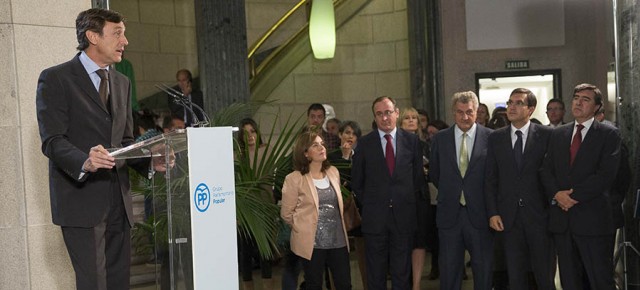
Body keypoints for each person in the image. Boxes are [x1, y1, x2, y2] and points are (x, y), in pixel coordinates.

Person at [35, 8, 166, 290]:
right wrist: (85, 161)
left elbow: (126, 141)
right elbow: (52, 140)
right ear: (93, 36)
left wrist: (149, 161)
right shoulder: (56, 78)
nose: (125, 41)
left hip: (119, 201)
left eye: (124, 33)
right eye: (117, 33)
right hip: (81, 202)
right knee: (93, 284)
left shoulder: (122, 82)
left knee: (119, 283)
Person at [541, 83, 621, 290]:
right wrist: (557, 194)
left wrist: (571, 197)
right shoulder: (558, 134)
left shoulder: (608, 134)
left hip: (593, 220)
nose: (578, 102)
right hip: (563, 221)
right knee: (569, 282)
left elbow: (605, 175)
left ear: (596, 107)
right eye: (576, 97)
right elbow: (546, 170)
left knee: (600, 280)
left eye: (585, 99)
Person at [484, 88, 556, 289]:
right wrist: (493, 213)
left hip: (540, 217)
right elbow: (490, 179)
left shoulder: (547, 135)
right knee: (515, 278)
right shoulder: (496, 138)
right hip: (508, 218)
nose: (511, 107)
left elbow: (555, 175)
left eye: (518, 103)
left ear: (531, 109)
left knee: (544, 276)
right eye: (509, 103)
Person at [351, 96, 424, 290]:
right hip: (375, 220)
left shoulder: (412, 141)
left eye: (388, 112)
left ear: (396, 113)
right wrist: (372, 204)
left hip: (404, 218)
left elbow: (417, 179)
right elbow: (357, 183)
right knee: (375, 274)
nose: (384, 118)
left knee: (402, 273)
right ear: (374, 117)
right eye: (379, 114)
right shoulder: (365, 144)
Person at [429, 91, 494, 290]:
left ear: (477, 112)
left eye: (469, 112)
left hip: (481, 215)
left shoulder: (491, 138)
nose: (465, 117)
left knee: (483, 270)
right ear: (453, 113)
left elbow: (494, 176)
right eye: (460, 112)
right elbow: (435, 174)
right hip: (450, 214)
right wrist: (454, 191)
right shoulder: (440, 139)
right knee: (449, 271)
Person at [281, 131, 351, 290]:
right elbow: (286, 214)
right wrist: (303, 227)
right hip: (311, 243)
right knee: (313, 285)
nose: (322, 148)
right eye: (315, 145)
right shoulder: (294, 178)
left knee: (345, 284)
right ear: (305, 153)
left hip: (338, 240)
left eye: (322, 144)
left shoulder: (333, 172)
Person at [328, 120, 367, 290]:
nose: (350, 136)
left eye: (353, 134)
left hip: (359, 208)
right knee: (338, 252)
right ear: (340, 135)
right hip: (337, 209)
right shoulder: (331, 157)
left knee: (363, 252)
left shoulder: (362, 155)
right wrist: (344, 156)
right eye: (347, 132)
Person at [236, 118, 274, 290]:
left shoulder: (267, 151)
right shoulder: (238, 157)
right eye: (245, 133)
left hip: (265, 206)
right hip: (245, 211)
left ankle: (268, 286)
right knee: (246, 252)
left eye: (252, 131)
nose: (250, 136)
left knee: (265, 252)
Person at [399, 108, 431, 290]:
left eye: (414, 118)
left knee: (419, 241)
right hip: (402, 198)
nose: (411, 121)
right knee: (403, 241)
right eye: (407, 118)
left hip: (420, 196)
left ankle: (417, 284)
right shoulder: (395, 144)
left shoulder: (425, 145)